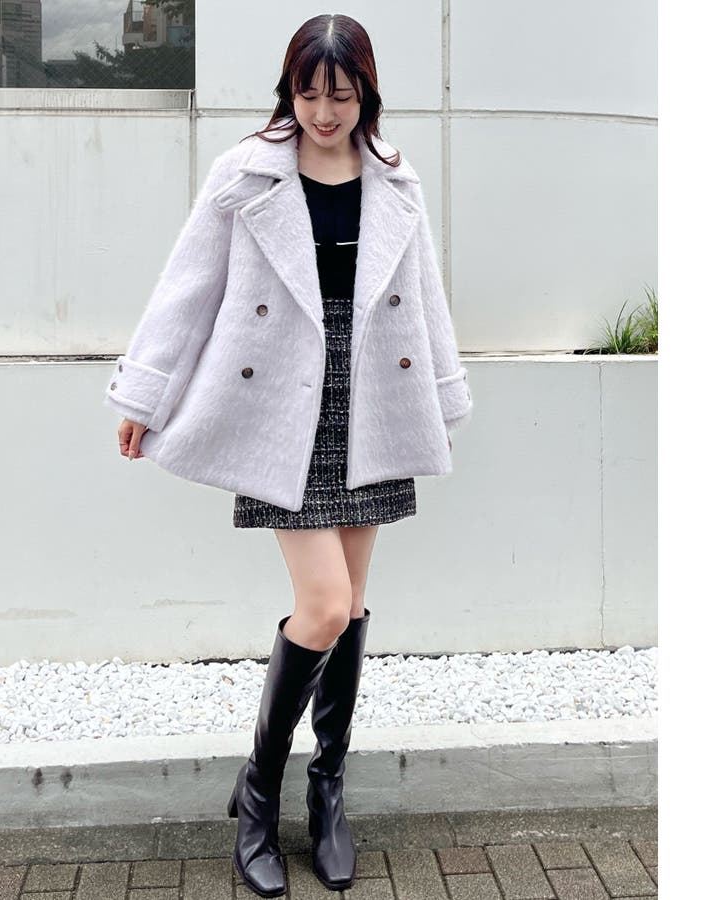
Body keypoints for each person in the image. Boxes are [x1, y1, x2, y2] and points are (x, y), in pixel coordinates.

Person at [104, 14, 472, 898]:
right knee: (325, 604)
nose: (324, 112)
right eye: (309, 93)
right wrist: (143, 395)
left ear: (366, 93)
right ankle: (261, 795)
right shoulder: (248, 171)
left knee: (351, 607)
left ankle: (328, 791)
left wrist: (442, 399)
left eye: (340, 95)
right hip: (283, 405)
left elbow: (423, 292)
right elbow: (190, 286)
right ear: (290, 91)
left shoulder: (393, 175)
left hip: (371, 397)